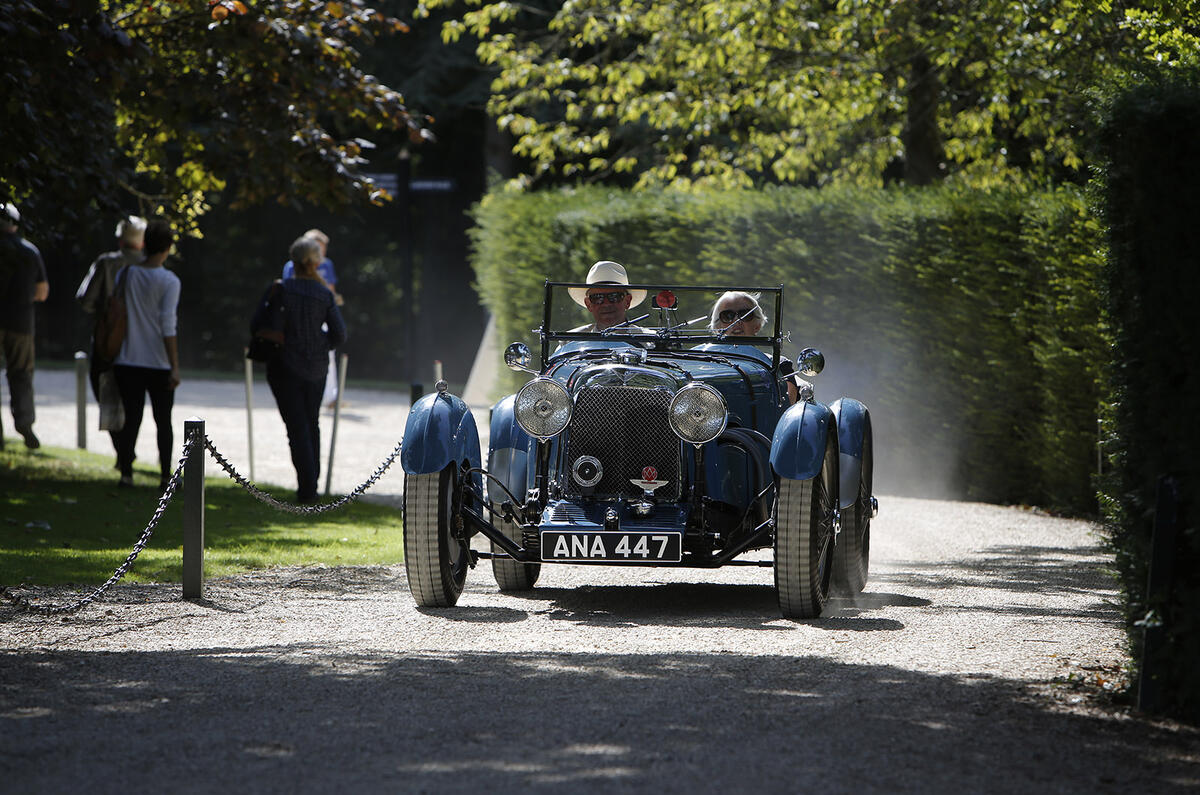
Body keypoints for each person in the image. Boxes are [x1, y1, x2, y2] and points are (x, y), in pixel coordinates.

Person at [257, 235, 347, 503]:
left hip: (284, 365)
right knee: (311, 424)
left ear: (293, 261)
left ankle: (307, 489)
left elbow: (258, 325)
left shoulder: (281, 289)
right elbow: (340, 334)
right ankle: (311, 485)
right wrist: (321, 347)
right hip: (316, 367)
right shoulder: (324, 294)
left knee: (296, 428)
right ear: (316, 263)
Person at [112, 220, 181, 489]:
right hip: (158, 361)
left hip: (127, 357)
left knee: (131, 418)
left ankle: (126, 472)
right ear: (168, 247)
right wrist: (174, 364)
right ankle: (166, 476)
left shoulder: (126, 274)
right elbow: (168, 324)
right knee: (163, 420)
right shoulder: (169, 281)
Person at [76, 215, 147, 452]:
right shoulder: (150, 265)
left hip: (107, 342)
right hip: (139, 344)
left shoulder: (106, 263)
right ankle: (127, 453)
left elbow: (86, 301)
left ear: (120, 239)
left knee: (106, 396)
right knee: (134, 401)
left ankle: (122, 452)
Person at [0, 202, 49, 450]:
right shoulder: (30, 252)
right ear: (16, 224)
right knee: (21, 374)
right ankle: (25, 424)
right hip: (21, 323)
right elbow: (42, 292)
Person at [282, 228, 343, 407]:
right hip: (298, 319)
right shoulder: (290, 268)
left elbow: (330, 289)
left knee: (328, 357)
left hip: (320, 313)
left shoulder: (327, 264)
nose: (321, 254)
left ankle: (330, 396)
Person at [710, 290, 798, 403]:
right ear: (717, 328)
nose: (737, 321)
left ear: (757, 326)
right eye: (728, 316)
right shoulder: (704, 365)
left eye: (745, 315)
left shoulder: (778, 365)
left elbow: (786, 407)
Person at [567, 260, 647, 331]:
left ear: (627, 301)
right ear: (588, 304)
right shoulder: (572, 342)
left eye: (614, 296)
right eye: (597, 298)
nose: (606, 303)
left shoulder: (650, 342)